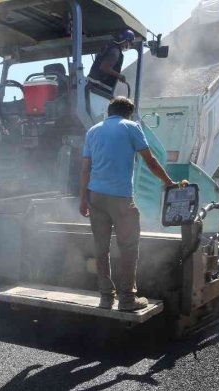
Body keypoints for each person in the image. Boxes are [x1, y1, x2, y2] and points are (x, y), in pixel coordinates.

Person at [78, 96, 183, 312]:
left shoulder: (93, 131)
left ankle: (106, 298)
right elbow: (151, 161)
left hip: (95, 196)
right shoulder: (132, 127)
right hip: (120, 198)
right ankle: (127, 299)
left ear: (109, 111)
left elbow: (85, 168)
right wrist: (169, 183)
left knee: (101, 248)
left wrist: (82, 199)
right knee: (128, 247)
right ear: (129, 113)